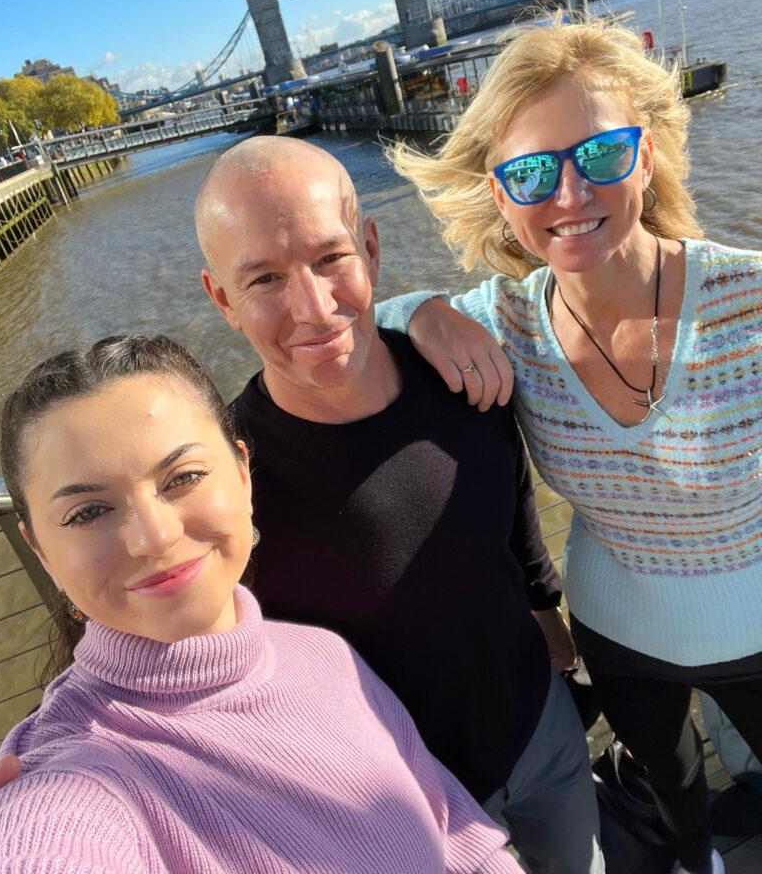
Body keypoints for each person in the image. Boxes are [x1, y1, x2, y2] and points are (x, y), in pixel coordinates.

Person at [378, 14, 762, 874]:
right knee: (670, 788)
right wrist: (419, 310)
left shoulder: (750, 300)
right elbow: (350, 330)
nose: (569, 196)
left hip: (759, 627)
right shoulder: (502, 323)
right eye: (530, 172)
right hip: (617, 633)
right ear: (500, 191)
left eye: (598, 156)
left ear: (647, 156)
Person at [193, 135, 604, 874]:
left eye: (330, 260)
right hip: (402, 811)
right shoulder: (225, 484)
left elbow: (513, 521)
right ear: (220, 298)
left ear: (372, 250)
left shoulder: (463, 374)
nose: (313, 309)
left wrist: (552, 622)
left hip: (541, 731)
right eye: (262, 280)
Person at [0, 334, 518, 874]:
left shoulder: (322, 654)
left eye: (184, 477)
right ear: (42, 554)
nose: (153, 537)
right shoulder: (75, 773)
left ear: (243, 476)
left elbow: (456, 834)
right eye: (88, 512)